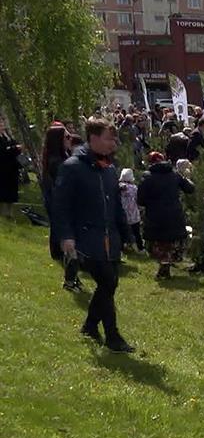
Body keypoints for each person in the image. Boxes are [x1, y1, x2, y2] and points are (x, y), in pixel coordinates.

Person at [51, 118, 135, 353]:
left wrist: (127, 233)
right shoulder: (72, 167)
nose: (114, 143)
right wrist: (66, 236)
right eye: (109, 138)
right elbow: (60, 206)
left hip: (110, 238)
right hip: (87, 238)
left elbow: (116, 204)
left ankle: (89, 326)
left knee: (110, 283)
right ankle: (113, 336)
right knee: (107, 281)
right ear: (93, 137)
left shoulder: (108, 168)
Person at [137, 151, 195, 279]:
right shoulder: (174, 174)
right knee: (169, 241)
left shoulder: (147, 177)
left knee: (159, 242)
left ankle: (163, 266)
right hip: (174, 213)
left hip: (155, 215)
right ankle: (166, 266)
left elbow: (140, 199)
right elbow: (190, 188)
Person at [41, 123, 80, 286]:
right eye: (66, 137)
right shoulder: (56, 161)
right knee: (67, 238)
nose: (70, 139)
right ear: (58, 140)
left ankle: (71, 274)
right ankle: (70, 276)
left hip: (62, 203)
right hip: (61, 204)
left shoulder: (62, 156)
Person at [119, 168, 143, 252]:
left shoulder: (118, 187)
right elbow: (138, 199)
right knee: (136, 232)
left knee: (122, 232)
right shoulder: (134, 188)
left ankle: (122, 248)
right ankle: (140, 248)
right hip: (133, 214)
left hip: (122, 213)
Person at [0, 126, 20, 218]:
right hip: (3, 167)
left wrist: (17, 148)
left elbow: (13, 145)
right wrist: (14, 148)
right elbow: (3, 150)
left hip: (12, 167)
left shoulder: (7, 135)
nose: (2, 126)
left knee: (12, 189)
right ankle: (4, 212)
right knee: (4, 189)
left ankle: (10, 212)